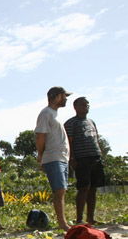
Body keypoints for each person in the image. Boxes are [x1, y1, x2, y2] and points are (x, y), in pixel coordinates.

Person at [34, 86, 71, 231]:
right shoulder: (46, 113)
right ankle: (62, 223)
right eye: (64, 96)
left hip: (62, 158)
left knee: (62, 190)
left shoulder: (56, 114)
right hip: (53, 157)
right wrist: (41, 155)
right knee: (59, 190)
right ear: (57, 96)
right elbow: (40, 135)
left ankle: (63, 221)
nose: (66, 99)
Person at [64, 97, 105, 224]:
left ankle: (90, 218)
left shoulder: (91, 122)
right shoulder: (71, 123)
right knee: (83, 187)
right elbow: (68, 143)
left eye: (87, 104)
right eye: (83, 104)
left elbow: (96, 139)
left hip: (95, 157)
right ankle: (79, 219)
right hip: (82, 159)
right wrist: (72, 159)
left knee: (93, 187)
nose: (86, 106)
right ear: (75, 107)